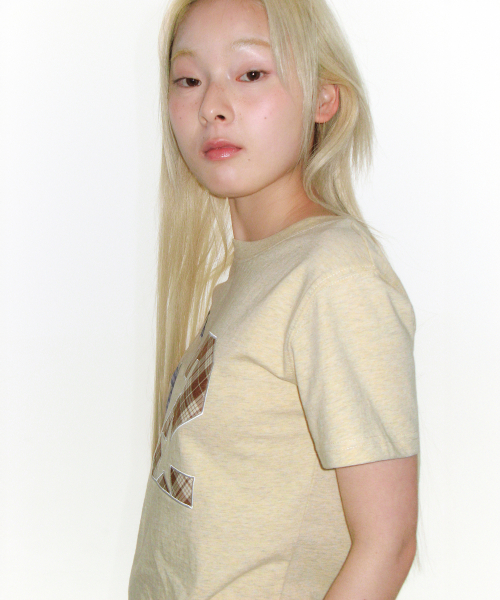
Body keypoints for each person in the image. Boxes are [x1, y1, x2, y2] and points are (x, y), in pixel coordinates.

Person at [129, 0, 419, 598]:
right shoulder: (251, 276)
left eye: (251, 73)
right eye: (189, 80)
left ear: (323, 99)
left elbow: (388, 545)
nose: (212, 106)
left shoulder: (334, 275)